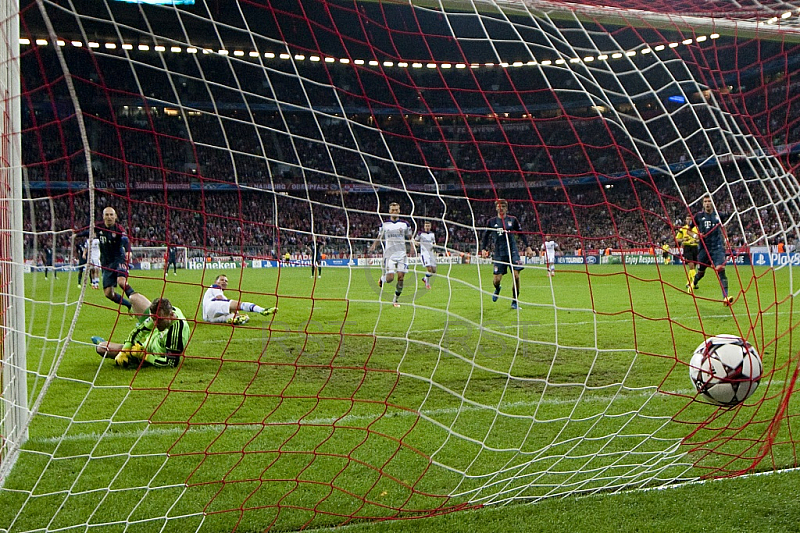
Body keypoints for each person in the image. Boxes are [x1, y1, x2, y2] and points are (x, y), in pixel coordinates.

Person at [92, 295, 190, 368]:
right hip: (148, 339)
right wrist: (125, 350)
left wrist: (145, 356)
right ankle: (122, 347)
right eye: (153, 319)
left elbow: (171, 363)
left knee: (101, 348)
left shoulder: (178, 333)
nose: (155, 323)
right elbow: (137, 332)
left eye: (159, 320)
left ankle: (104, 343)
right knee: (134, 298)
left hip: (147, 352)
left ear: (171, 315)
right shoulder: (165, 313)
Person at [480, 199, 533, 310]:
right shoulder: (491, 222)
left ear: (506, 208)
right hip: (499, 253)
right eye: (499, 206)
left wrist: (528, 247)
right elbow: (485, 236)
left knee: (516, 276)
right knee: (496, 280)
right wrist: (483, 249)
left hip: (512, 251)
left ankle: (514, 301)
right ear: (496, 208)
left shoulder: (512, 220)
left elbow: (521, 234)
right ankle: (498, 288)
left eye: (503, 206)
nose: (501, 208)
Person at [368, 202, 415, 307]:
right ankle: (382, 279)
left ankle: (395, 299)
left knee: (401, 278)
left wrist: (412, 247)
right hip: (389, 254)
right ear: (389, 211)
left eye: (396, 210)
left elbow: (410, 237)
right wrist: (374, 245)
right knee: (390, 278)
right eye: (392, 210)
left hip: (402, 254)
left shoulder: (405, 224)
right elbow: (379, 236)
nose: (394, 211)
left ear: (399, 211)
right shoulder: (384, 225)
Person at [690, 195, 733, 305]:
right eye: (705, 201)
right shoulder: (698, 216)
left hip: (717, 247)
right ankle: (694, 282)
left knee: (720, 269)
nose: (708, 203)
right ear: (703, 204)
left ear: (712, 203)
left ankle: (726, 297)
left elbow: (723, 227)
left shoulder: (719, 215)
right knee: (701, 272)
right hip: (704, 248)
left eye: (709, 201)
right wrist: (696, 236)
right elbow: (688, 230)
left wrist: (727, 239)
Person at [96, 207, 135, 311]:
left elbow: (125, 239)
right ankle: (129, 305)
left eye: (111, 215)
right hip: (106, 262)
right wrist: (76, 234)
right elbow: (86, 231)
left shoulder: (119, 229)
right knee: (108, 293)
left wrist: (128, 251)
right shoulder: (98, 227)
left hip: (119, 259)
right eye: (107, 215)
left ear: (115, 216)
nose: (109, 217)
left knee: (121, 281)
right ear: (103, 216)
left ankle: (137, 302)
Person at [202, 274, 277, 324]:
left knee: (240, 317)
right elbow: (220, 298)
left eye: (226, 281)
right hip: (212, 305)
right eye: (222, 280)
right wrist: (235, 309)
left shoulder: (214, 292)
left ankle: (235, 320)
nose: (224, 282)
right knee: (240, 305)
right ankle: (262, 310)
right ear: (216, 282)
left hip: (208, 318)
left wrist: (237, 314)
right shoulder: (215, 286)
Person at [675, 214, 699, 290]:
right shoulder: (683, 229)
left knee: (693, 267)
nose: (689, 221)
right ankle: (695, 282)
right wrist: (683, 240)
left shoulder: (696, 228)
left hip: (695, 247)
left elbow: (700, 239)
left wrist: (695, 240)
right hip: (687, 248)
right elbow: (676, 239)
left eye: (690, 219)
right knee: (691, 266)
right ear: (685, 220)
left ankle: (689, 283)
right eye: (687, 219)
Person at [415, 221, 437, 289]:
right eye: (426, 226)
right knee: (429, 269)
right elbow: (415, 240)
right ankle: (427, 284)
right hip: (424, 253)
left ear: (430, 227)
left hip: (431, 253)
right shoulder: (420, 233)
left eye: (428, 226)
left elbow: (434, 242)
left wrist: (434, 245)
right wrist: (416, 243)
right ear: (424, 227)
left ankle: (425, 278)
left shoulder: (432, 234)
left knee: (434, 271)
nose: (427, 227)